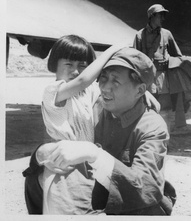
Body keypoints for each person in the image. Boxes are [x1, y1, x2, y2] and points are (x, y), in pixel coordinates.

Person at [23, 47, 176, 215]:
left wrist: (94, 153)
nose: (105, 87)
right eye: (103, 78)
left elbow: (146, 188)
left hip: (135, 205)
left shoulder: (152, 127)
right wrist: (40, 153)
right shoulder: (94, 109)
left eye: (115, 81)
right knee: (43, 172)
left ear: (140, 90)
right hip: (97, 194)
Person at [133, 4, 191, 132]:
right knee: (147, 109)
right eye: (160, 15)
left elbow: (177, 56)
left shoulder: (167, 34)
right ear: (152, 17)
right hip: (147, 79)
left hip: (163, 79)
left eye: (163, 15)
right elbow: (135, 59)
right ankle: (148, 139)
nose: (162, 18)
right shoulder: (139, 36)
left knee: (165, 110)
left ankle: (165, 142)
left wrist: (172, 65)